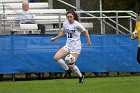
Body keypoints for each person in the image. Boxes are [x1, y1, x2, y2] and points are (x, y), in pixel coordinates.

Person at [50, 10, 91, 84]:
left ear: (74, 17)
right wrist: (54, 38)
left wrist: (88, 41)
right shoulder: (65, 23)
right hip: (68, 45)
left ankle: (80, 76)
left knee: (70, 63)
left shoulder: (77, 24)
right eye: (68, 17)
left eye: (70, 17)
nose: (69, 18)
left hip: (75, 47)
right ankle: (67, 69)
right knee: (56, 57)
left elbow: (85, 31)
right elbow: (63, 32)